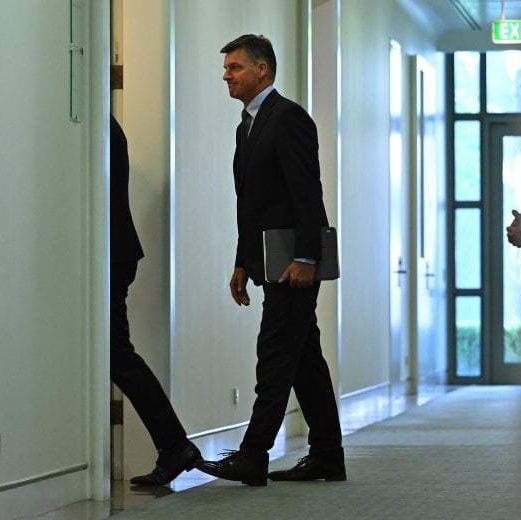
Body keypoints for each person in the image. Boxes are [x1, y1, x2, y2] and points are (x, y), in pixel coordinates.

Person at [195, 34, 346, 486]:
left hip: (293, 264)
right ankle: (327, 456)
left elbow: (306, 194)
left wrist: (306, 257)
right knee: (304, 361)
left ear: (262, 69)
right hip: (267, 262)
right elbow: (251, 205)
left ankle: (253, 455)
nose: (226, 75)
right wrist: (242, 262)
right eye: (226, 68)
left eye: (235, 67)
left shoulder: (289, 119)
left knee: (275, 353)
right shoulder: (247, 125)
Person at [110, 115, 201, 485]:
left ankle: (175, 445)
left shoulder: (96, 123)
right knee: (116, 356)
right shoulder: (104, 122)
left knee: (117, 356)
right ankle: (174, 445)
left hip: (110, 254)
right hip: (115, 252)